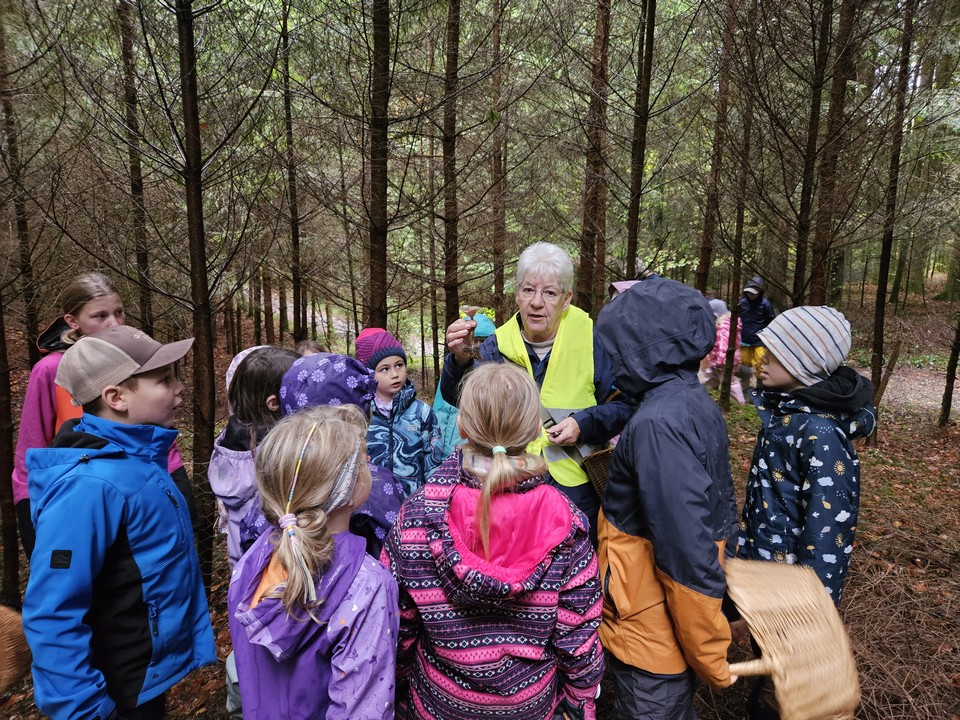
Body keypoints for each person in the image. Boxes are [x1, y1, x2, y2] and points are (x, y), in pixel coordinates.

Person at [382, 362, 604, 720]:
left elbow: (398, 624)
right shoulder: (567, 524)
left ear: (462, 426)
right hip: (530, 707)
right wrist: (581, 700)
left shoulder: (417, 518)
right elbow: (578, 634)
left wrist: (402, 683)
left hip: (440, 703)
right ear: (536, 429)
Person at [22, 325, 215, 720]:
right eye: (164, 380)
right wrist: (85, 708)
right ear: (116, 398)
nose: (179, 389)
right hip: (112, 694)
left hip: (144, 677)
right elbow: (52, 609)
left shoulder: (140, 459)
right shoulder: (89, 487)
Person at [595, 278, 739, 718]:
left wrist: (708, 649)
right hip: (661, 623)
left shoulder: (658, 425)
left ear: (639, 349)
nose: (609, 361)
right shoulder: (688, 401)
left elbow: (685, 550)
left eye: (614, 349)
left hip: (653, 635)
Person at [441, 242, 633, 546]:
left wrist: (584, 423)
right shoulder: (496, 346)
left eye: (550, 293)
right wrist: (459, 360)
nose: (537, 303)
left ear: (567, 299)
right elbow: (460, 400)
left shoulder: (591, 340)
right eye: (528, 290)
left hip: (576, 489)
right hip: (509, 487)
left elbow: (623, 405)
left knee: (575, 565)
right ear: (517, 294)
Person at [229, 405, 399, 720]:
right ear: (347, 488)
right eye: (362, 462)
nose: (370, 465)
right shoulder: (368, 584)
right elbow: (363, 709)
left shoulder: (253, 561)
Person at [12, 272, 193, 557]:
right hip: (91, 484)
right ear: (73, 321)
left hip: (155, 472)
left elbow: (153, 422)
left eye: (118, 312)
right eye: (100, 316)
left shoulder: (134, 354)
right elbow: (32, 443)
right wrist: (28, 502)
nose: (114, 323)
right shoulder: (51, 369)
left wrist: (174, 474)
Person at [737, 306, 875, 602]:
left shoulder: (819, 432)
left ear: (802, 362)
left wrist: (812, 606)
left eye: (774, 353)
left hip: (788, 591)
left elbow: (827, 531)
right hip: (762, 570)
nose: (761, 359)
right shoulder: (785, 413)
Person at [239, 352, 406, 559]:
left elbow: (251, 550)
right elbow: (399, 551)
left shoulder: (276, 483)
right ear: (356, 415)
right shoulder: (374, 483)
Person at [210, 346, 300, 569]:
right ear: (274, 403)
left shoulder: (231, 442)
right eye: (300, 387)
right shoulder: (280, 455)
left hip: (244, 567)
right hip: (276, 568)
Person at [355, 327, 445, 498]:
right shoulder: (360, 414)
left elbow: (434, 462)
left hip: (413, 504)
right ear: (369, 374)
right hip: (371, 505)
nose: (395, 374)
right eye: (384, 369)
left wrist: (433, 501)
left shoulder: (422, 412)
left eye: (399, 365)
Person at [432, 311, 496, 454]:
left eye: (483, 341)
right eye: (474, 340)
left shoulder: (496, 375)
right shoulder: (453, 370)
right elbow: (440, 409)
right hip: (450, 447)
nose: (477, 346)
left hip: (481, 449)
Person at [700, 298, 746, 404]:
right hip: (718, 360)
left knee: (730, 382)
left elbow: (724, 345)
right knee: (711, 379)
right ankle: (707, 400)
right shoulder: (727, 323)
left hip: (724, 360)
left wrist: (721, 361)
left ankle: (740, 403)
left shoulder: (725, 326)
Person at [738, 276, 776, 383]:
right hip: (744, 338)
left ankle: (761, 384)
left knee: (760, 362)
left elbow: (771, 321)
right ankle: (744, 384)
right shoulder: (742, 303)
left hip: (759, 339)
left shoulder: (765, 304)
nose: (751, 294)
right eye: (749, 292)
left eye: (754, 293)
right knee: (744, 361)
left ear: (760, 292)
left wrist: (767, 336)